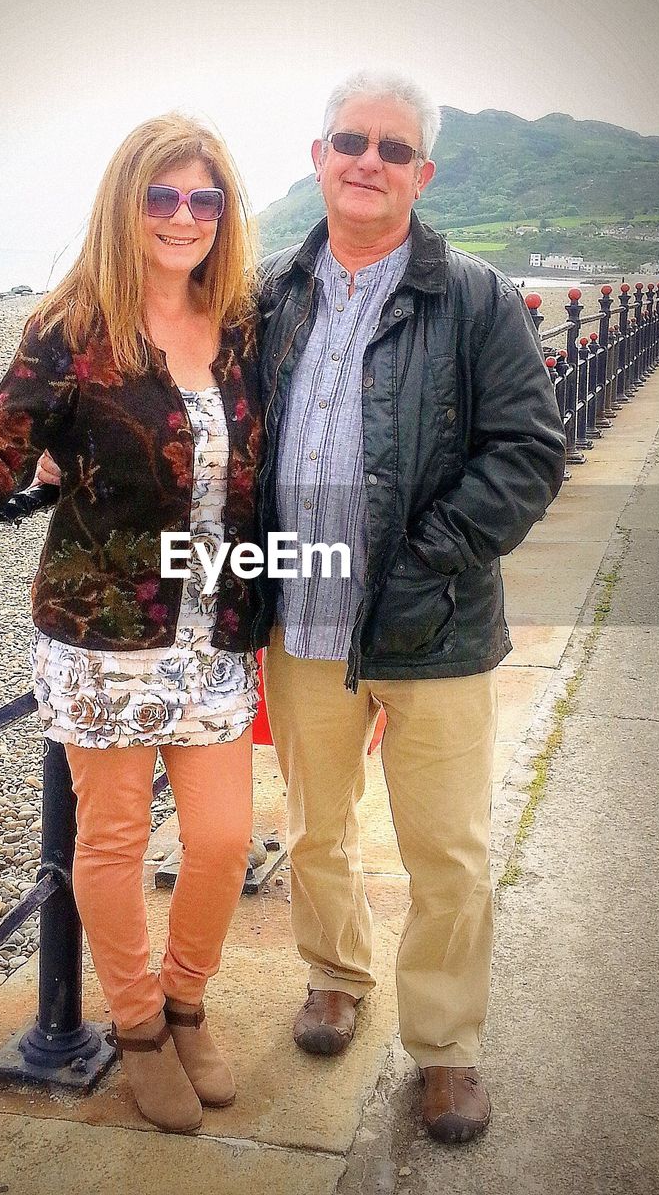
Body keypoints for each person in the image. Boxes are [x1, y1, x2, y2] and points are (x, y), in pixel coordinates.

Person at [0, 113, 263, 1135]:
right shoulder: (75, 326)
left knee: (218, 838)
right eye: (161, 196)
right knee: (113, 840)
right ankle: (139, 1029)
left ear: (224, 212)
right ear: (126, 203)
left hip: (216, 629)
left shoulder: (243, 323)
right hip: (102, 634)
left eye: (202, 197)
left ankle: (187, 997)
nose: (182, 216)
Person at [255, 71, 566, 1143]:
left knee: (449, 853)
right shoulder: (267, 293)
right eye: (351, 139)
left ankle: (444, 1048)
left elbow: (529, 449)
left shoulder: (472, 296)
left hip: (433, 625)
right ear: (318, 153)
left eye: (393, 148)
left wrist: (426, 559)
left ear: (422, 172)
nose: (368, 161)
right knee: (313, 826)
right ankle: (334, 975)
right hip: (303, 616)